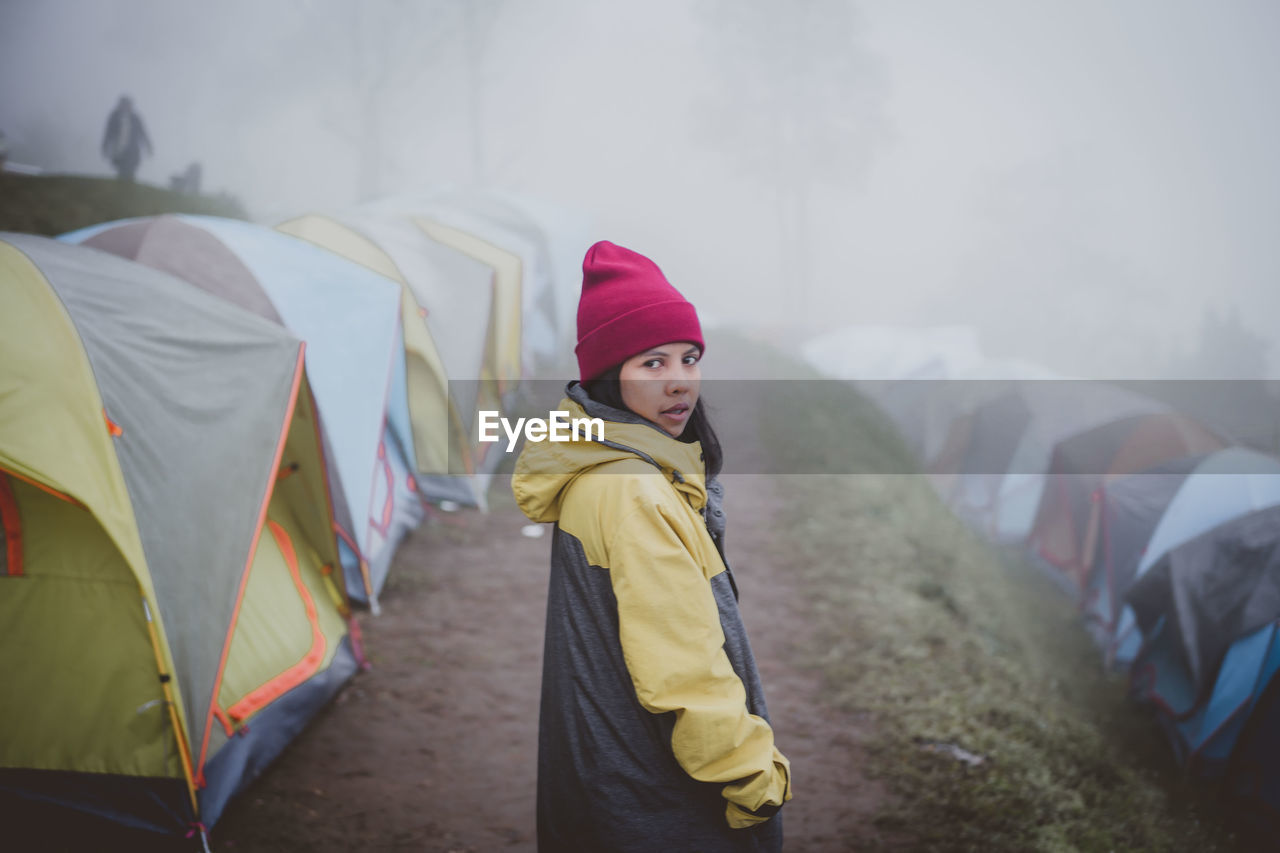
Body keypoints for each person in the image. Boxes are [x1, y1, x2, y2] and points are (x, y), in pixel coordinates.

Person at [512, 241, 791, 852]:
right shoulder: (632, 489)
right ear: (610, 375)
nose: (680, 382)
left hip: (610, 771)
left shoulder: (619, 470)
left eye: (689, 358)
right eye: (653, 364)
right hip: (657, 792)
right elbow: (680, 662)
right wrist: (750, 776)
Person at [100, 95, 152, 182]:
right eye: (124, 104)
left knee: (130, 171)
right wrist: (105, 147)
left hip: (133, 152)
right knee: (122, 171)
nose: (126, 107)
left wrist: (148, 146)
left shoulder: (135, 118)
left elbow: (142, 133)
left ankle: (128, 187)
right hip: (119, 151)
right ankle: (123, 188)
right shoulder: (114, 116)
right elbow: (108, 133)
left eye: (128, 105)